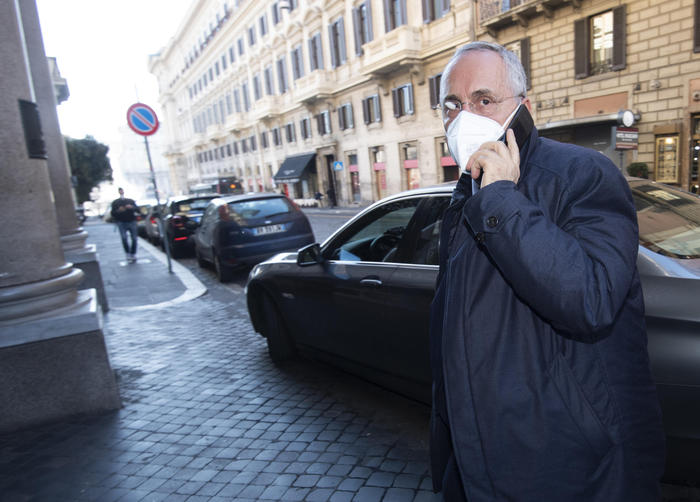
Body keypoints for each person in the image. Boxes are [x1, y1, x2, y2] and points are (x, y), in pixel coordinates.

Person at [430, 41, 665, 501]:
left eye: (483, 100)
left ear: (523, 106)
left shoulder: (582, 172)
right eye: (452, 105)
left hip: (567, 464)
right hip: (481, 455)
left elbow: (590, 299)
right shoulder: (466, 191)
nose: (464, 116)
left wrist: (501, 199)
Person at [110, 187, 139, 263]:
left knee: (134, 238)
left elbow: (137, 209)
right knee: (124, 238)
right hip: (121, 222)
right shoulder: (115, 202)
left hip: (131, 221)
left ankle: (133, 253)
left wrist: (131, 207)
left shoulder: (130, 201)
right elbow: (113, 213)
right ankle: (128, 253)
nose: (121, 192)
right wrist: (119, 211)